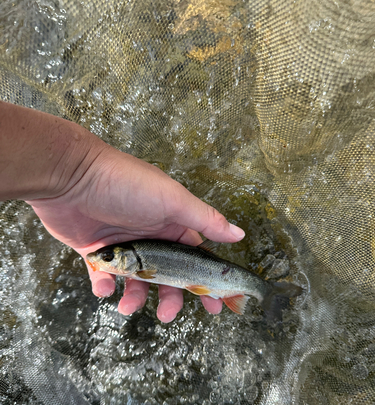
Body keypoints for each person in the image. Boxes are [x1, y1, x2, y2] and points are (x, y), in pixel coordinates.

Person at [0, 101, 245, 322]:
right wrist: (73, 176)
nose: (98, 260)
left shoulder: (140, 266)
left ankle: (253, 290)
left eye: (107, 258)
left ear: (129, 260)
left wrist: (77, 175)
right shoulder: (138, 263)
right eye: (106, 257)